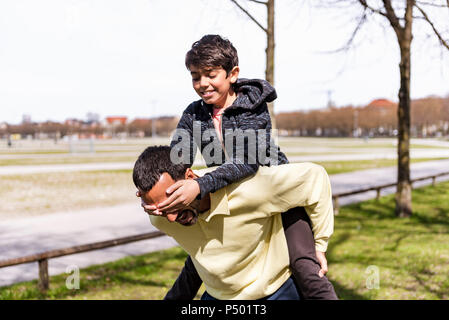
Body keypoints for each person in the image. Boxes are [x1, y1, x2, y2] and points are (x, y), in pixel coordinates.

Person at [142, 34, 338, 299]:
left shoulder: (252, 106)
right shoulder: (194, 113)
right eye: (195, 76)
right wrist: (155, 187)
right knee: (202, 262)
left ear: (233, 74)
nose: (202, 84)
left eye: (210, 75)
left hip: (275, 194)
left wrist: (200, 185)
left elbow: (247, 162)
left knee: (305, 268)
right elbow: (178, 159)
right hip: (231, 199)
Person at [133, 146, 335, 300]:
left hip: (274, 291)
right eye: (162, 209)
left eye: (174, 202)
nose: (170, 218)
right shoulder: (158, 218)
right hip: (218, 296)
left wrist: (320, 244)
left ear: (190, 177)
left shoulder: (252, 188)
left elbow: (315, 178)